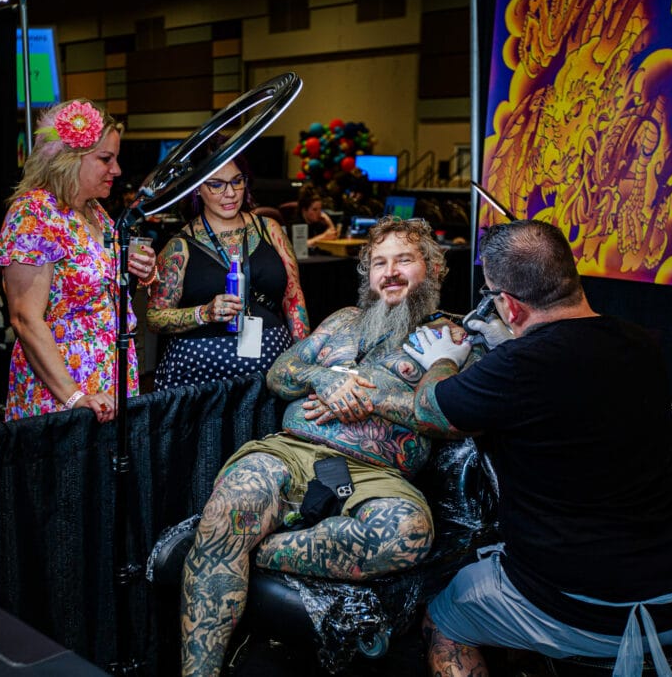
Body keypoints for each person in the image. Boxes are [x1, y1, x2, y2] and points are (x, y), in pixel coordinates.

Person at [407, 220, 672, 676]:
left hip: (588, 608)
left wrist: (443, 362)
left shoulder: (519, 365)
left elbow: (430, 409)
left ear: (508, 305)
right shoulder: (639, 344)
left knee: (445, 618)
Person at [180, 217, 464, 675]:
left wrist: (372, 397)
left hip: (379, 475)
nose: (389, 272)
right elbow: (279, 375)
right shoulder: (343, 322)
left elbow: (449, 418)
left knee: (407, 532)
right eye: (379, 263)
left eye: (404, 260)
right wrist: (321, 377)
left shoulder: (450, 339)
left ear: (432, 268)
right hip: (294, 451)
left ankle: (253, 545)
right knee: (237, 498)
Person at [0, 99, 157, 422]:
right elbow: (25, 318)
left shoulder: (95, 212)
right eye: (106, 159)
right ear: (68, 159)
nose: (117, 170)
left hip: (108, 386)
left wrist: (140, 268)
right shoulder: (34, 213)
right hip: (61, 393)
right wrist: (75, 397)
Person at [146, 141, 309, 390]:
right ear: (197, 188)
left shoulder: (269, 229)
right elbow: (155, 317)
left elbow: (293, 299)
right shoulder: (179, 246)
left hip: (269, 374)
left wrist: (303, 361)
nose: (230, 193)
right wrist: (204, 312)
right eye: (216, 185)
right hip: (200, 379)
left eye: (236, 181)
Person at [293, 183, 337, 248]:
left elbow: (333, 235)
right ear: (304, 210)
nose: (319, 213)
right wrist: (323, 237)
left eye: (320, 209)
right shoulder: (295, 224)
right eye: (315, 209)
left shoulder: (319, 223)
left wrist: (328, 221)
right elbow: (298, 246)